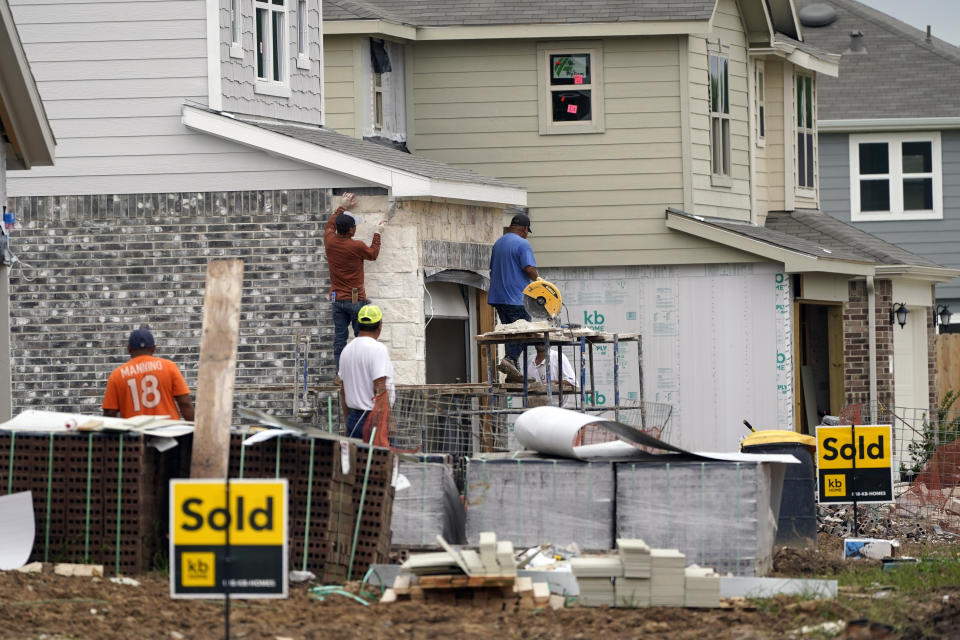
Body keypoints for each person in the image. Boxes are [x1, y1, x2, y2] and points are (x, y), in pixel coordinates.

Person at [324, 192, 385, 371]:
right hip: (355, 300)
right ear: (351, 230)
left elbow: (329, 225)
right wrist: (377, 233)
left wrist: (342, 206)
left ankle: (340, 374)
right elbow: (373, 254)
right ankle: (363, 372)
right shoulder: (356, 246)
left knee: (340, 339)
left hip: (336, 300)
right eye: (354, 227)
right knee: (362, 339)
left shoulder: (329, 241)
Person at [102, 327, 195, 420]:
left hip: (135, 432)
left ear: (129, 349)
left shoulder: (117, 374)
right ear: (154, 348)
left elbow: (110, 412)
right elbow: (185, 403)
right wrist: (195, 430)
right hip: (168, 431)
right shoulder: (169, 367)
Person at [488, 213, 539, 369]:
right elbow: (529, 268)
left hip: (498, 298)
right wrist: (539, 281)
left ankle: (512, 371)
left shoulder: (498, 244)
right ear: (524, 229)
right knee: (523, 331)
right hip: (516, 298)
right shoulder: (522, 244)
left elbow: (492, 269)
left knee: (511, 334)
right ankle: (510, 360)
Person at [338, 304, 395, 440]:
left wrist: (347, 422)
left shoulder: (346, 350)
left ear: (358, 324)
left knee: (356, 460)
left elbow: (343, 390)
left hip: (354, 419)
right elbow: (380, 388)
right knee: (385, 460)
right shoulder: (378, 349)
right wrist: (390, 422)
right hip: (373, 420)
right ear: (380, 325)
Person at [521, 343, 578, 407]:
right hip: (534, 409)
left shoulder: (558, 356)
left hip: (555, 409)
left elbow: (573, 382)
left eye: (543, 340)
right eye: (539, 340)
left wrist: (553, 382)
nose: (541, 342)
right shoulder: (530, 360)